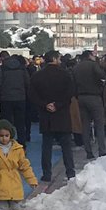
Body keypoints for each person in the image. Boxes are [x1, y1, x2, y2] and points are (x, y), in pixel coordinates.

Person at [29, 50, 77, 182]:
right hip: (62, 114)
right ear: (55, 59)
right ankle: (70, 171)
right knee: (66, 145)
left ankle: (47, 173)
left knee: (46, 145)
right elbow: (70, 93)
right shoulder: (65, 75)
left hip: (46, 115)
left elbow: (32, 95)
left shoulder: (37, 76)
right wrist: (58, 104)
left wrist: (45, 105)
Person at [73, 50, 106, 159]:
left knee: (85, 126)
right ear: (89, 56)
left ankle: (88, 151)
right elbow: (102, 76)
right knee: (99, 124)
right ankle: (101, 150)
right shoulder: (94, 65)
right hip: (94, 97)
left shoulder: (76, 67)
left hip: (81, 97)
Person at [0, 52, 31, 145]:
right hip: (20, 98)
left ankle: (7, 142)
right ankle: (22, 142)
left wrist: (1, 92)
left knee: (6, 122)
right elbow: (28, 82)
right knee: (20, 122)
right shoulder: (22, 68)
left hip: (6, 98)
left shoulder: (1, 68)